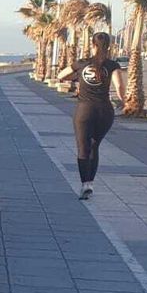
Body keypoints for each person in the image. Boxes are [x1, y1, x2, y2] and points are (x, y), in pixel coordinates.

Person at [57, 31, 127, 200]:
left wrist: (77, 78)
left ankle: (84, 184)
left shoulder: (82, 63)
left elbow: (61, 75)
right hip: (105, 111)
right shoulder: (112, 65)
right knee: (94, 147)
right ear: (109, 46)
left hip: (84, 111)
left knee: (83, 148)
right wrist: (124, 101)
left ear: (93, 45)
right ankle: (91, 183)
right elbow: (119, 87)